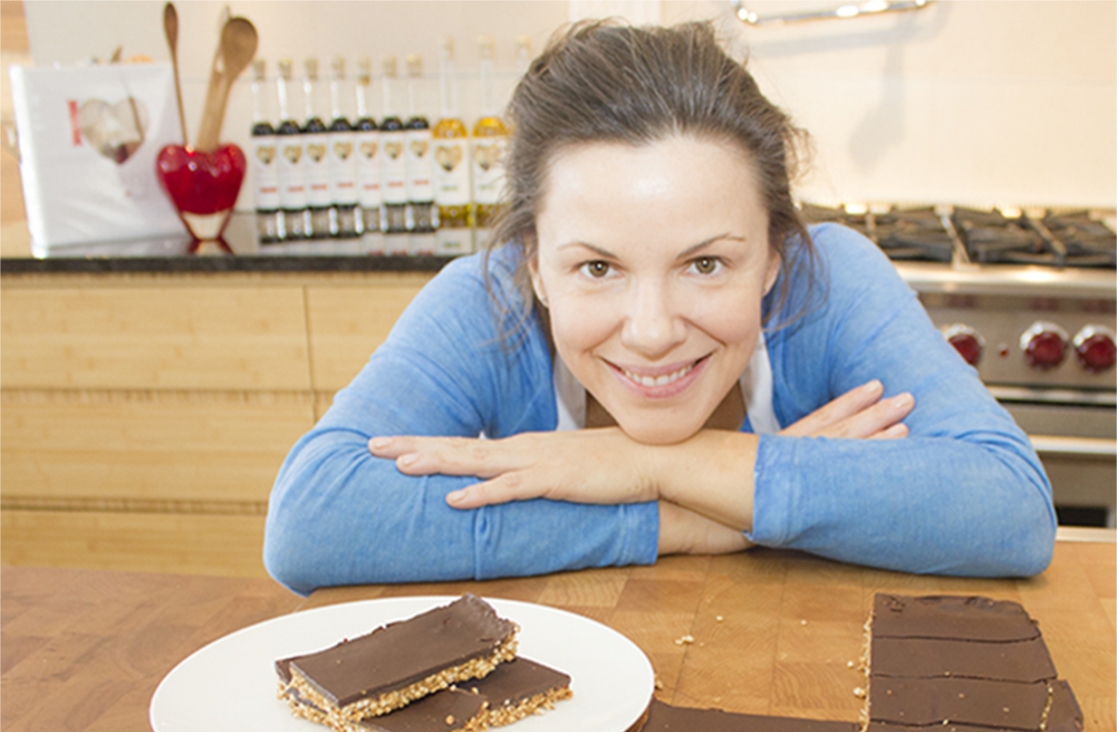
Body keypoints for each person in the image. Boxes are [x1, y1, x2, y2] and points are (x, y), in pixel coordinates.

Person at [263, 20, 1055, 596]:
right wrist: (696, 517)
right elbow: (314, 522)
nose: (650, 332)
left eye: (705, 263)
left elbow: (1007, 506)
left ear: (775, 255)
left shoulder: (829, 278)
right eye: (597, 267)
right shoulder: (485, 302)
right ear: (534, 265)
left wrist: (645, 465)